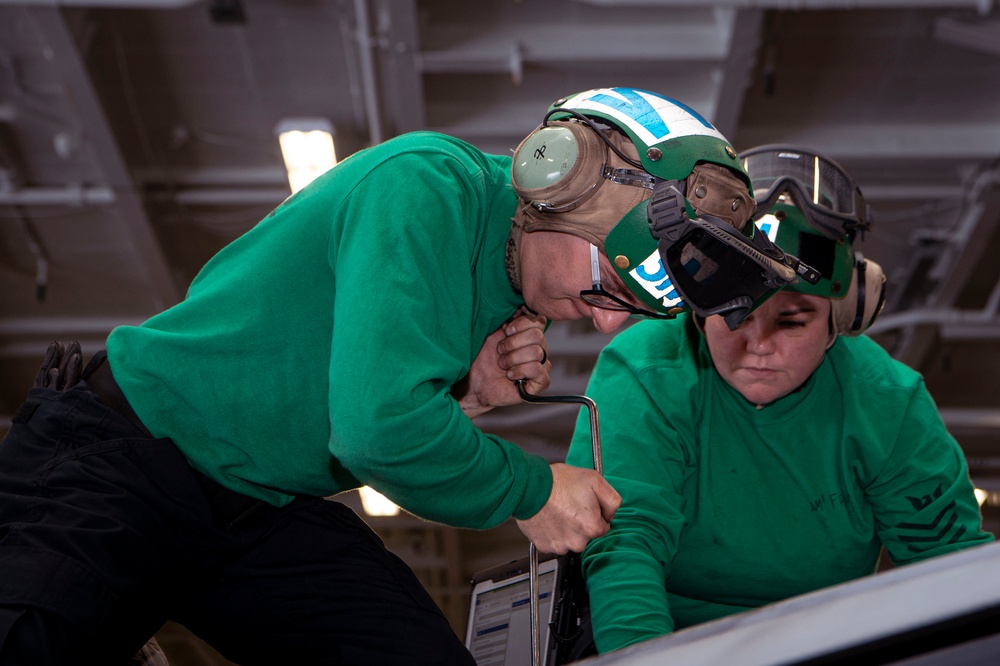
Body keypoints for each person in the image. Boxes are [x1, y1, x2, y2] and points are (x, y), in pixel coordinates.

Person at [0, 87, 763, 664]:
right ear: (559, 179)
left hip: (259, 502)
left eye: (630, 308)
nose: (602, 322)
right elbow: (375, 430)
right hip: (121, 455)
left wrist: (463, 395)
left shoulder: (504, 289)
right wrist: (530, 490)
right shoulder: (424, 186)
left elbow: (350, 391)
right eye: (608, 285)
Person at [566, 144, 996, 655]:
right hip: (669, 638)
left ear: (843, 319)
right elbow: (626, 544)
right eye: (735, 313)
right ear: (697, 309)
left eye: (792, 321)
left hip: (828, 644)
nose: (759, 345)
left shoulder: (887, 404)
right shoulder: (643, 371)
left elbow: (950, 566)